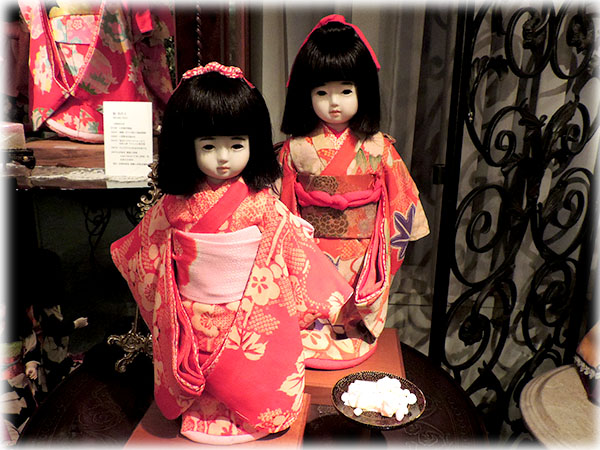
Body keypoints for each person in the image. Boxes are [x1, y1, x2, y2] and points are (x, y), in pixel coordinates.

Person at [111, 62, 352, 444]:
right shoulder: (175, 206)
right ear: (187, 145)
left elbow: (293, 247)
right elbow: (143, 251)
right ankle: (200, 413)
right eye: (209, 146)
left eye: (236, 145)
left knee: (248, 374)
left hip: (250, 309)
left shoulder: (261, 203)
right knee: (200, 372)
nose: (223, 157)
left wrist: (324, 299)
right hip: (192, 313)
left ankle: (251, 414)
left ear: (253, 143)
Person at [278, 15, 430, 370]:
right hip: (311, 248)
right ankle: (314, 335)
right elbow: (282, 206)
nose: (334, 102)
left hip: (363, 249)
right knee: (312, 296)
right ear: (305, 94)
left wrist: (387, 247)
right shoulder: (295, 149)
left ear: (364, 90)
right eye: (321, 92)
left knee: (355, 299)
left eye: (346, 91)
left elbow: (401, 203)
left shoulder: (379, 148)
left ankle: (353, 336)